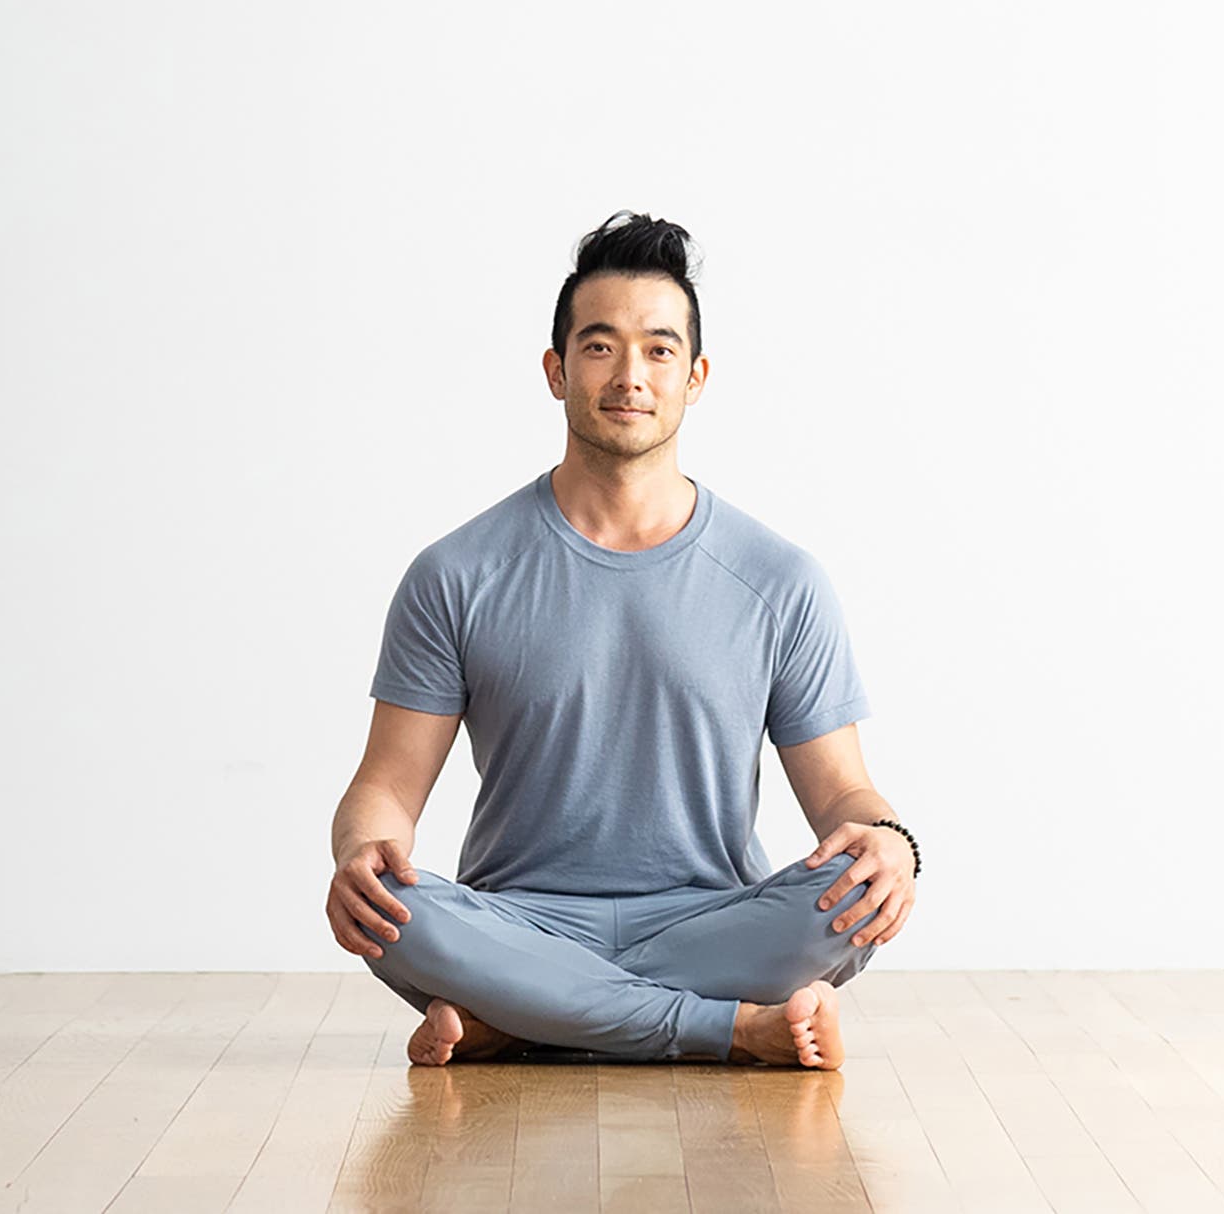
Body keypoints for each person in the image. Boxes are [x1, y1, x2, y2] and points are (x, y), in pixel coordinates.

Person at [323, 210, 920, 1069]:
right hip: (517, 920)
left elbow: (845, 799)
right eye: (600, 347)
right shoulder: (456, 573)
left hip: (714, 919)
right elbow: (383, 788)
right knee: (396, 911)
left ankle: (528, 1015)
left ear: (697, 376)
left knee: (843, 899)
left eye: (659, 349)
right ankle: (725, 1028)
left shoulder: (779, 580)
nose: (629, 375)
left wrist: (894, 849)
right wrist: (359, 853)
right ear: (556, 371)